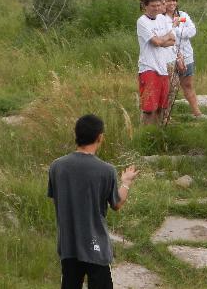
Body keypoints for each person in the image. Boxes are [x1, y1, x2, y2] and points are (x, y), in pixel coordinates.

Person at [48, 114, 139, 289]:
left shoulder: (56, 167)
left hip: (68, 245)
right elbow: (117, 204)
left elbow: (58, 200)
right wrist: (126, 182)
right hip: (95, 244)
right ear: (100, 137)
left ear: (76, 134)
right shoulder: (106, 170)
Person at [163, 0, 203, 118]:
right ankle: (165, 115)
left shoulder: (182, 15)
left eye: (174, 0)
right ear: (163, 2)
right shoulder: (161, 19)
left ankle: (197, 113)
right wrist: (175, 29)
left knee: (188, 85)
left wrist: (177, 29)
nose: (172, 3)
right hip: (169, 57)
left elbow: (192, 31)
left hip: (187, 55)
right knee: (170, 87)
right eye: (169, 0)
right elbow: (166, 37)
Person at [137, 0, 176, 125]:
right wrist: (163, 39)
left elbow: (173, 40)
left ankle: (157, 133)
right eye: (153, 6)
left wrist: (161, 39)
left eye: (158, 5)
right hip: (148, 67)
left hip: (162, 68)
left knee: (161, 107)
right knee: (149, 109)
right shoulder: (142, 21)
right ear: (145, 6)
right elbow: (156, 42)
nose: (156, 8)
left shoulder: (162, 19)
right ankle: (146, 135)